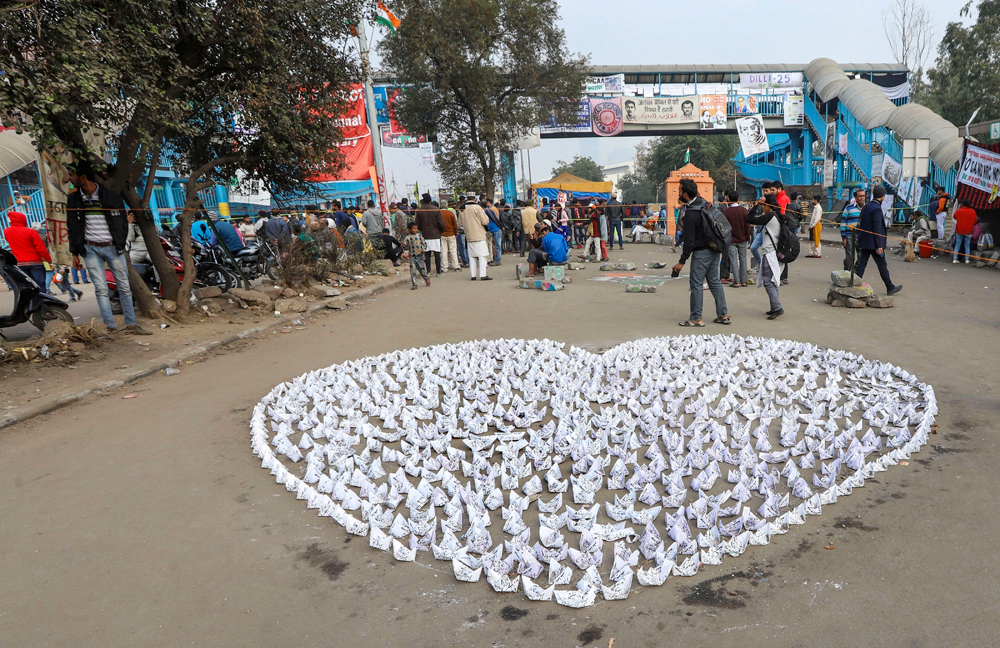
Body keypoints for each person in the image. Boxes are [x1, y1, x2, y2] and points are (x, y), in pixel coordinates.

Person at [65, 161, 151, 334]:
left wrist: (121, 243)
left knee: (124, 287)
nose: (69, 178)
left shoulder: (111, 196)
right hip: (90, 250)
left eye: (71, 175)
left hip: (113, 248)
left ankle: (131, 325)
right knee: (101, 289)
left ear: (82, 177)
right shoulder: (73, 199)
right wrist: (74, 253)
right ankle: (110, 327)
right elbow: (72, 226)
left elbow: (121, 222)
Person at [671, 178, 730, 327]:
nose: (678, 193)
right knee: (715, 282)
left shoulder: (690, 214)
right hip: (714, 249)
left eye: (679, 191)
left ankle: (696, 318)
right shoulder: (704, 204)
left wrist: (681, 261)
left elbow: (689, 242)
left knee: (696, 284)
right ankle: (723, 315)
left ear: (685, 194)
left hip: (701, 253)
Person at [856, 185, 902, 296]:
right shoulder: (876, 208)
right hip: (874, 243)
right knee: (882, 265)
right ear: (883, 196)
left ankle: (855, 284)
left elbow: (861, 223)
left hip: (865, 242)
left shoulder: (867, 207)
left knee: (862, 264)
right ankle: (890, 287)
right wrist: (879, 245)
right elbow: (876, 228)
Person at [745, 195, 785, 319]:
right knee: (771, 281)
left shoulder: (770, 216)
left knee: (768, 281)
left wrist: (756, 205)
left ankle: (777, 307)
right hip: (775, 251)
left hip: (770, 253)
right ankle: (775, 307)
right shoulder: (777, 216)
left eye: (763, 206)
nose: (762, 208)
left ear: (768, 205)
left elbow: (750, 219)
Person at [2, 210, 51, 291]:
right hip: (35, 262)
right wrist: (48, 260)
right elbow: (41, 248)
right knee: (40, 286)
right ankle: (41, 302)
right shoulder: (30, 232)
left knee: (28, 287)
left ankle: (31, 302)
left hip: (19, 263)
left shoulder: (6, 231)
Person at [460, 197, 492, 281]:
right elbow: (485, 221)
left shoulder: (463, 208)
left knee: (472, 257)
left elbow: (460, 223)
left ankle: (473, 275)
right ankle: (483, 275)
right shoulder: (477, 207)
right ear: (474, 199)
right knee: (482, 256)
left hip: (469, 236)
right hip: (479, 235)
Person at [723, 191, 750, 287]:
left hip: (731, 240)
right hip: (742, 239)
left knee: (733, 260)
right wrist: (747, 236)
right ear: (738, 199)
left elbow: (724, 227)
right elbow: (748, 226)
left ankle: (737, 281)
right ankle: (744, 281)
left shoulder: (726, 212)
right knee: (743, 259)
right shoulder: (744, 211)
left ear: (728, 199)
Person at [415, 194, 445, 277]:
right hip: (435, 234)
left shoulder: (419, 210)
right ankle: (438, 272)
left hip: (425, 234)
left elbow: (417, 224)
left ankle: (428, 271)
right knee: (437, 254)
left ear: (423, 201)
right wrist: (441, 231)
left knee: (427, 254)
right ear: (430, 200)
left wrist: (422, 230)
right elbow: (441, 223)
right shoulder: (436, 209)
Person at [841, 189, 864, 272]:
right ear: (856, 197)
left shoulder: (867, 208)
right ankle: (846, 272)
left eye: (863, 196)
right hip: (849, 235)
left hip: (862, 236)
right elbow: (843, 222)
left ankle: (854, 274)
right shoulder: (848, 208)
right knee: (849, 257)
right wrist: (844, 237)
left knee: (862, 257)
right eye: (860, 196)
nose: (862, 198)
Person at [125, 211, 152, 275]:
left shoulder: (147, 224)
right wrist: (130, 223)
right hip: (137, 251)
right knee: (126, 263)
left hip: (149, 251)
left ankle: (158, 281)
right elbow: (130, 238)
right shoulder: (130, 225)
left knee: (159, 263)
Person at [952, 200, 978, 264]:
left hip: (959, 230)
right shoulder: (972, 211)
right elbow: (975, 221)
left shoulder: (959, 211)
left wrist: (959, 208)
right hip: (968, 231)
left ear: (962, 204)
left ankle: (955, 258)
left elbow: (954, 216)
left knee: (957, 244)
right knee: (967, 245)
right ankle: (967, 259)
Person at [440, 201, 461, 271]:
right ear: (446, 206)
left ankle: (444, 267)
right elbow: (455, 225)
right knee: (453, 250)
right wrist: (455, 233)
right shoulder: (450, 213)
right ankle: (456, 266)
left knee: (444, 251)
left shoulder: (438, 213)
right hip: (451, 233)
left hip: (442, 234)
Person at [484, 198, 503, 266]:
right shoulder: (488, 210)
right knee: (496, 245)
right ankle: (496, 259)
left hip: (496, 230)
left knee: (498, 246)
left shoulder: (489, 211)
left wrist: (501, 227)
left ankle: (498, 260)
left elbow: (495, 219)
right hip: (494, 230)